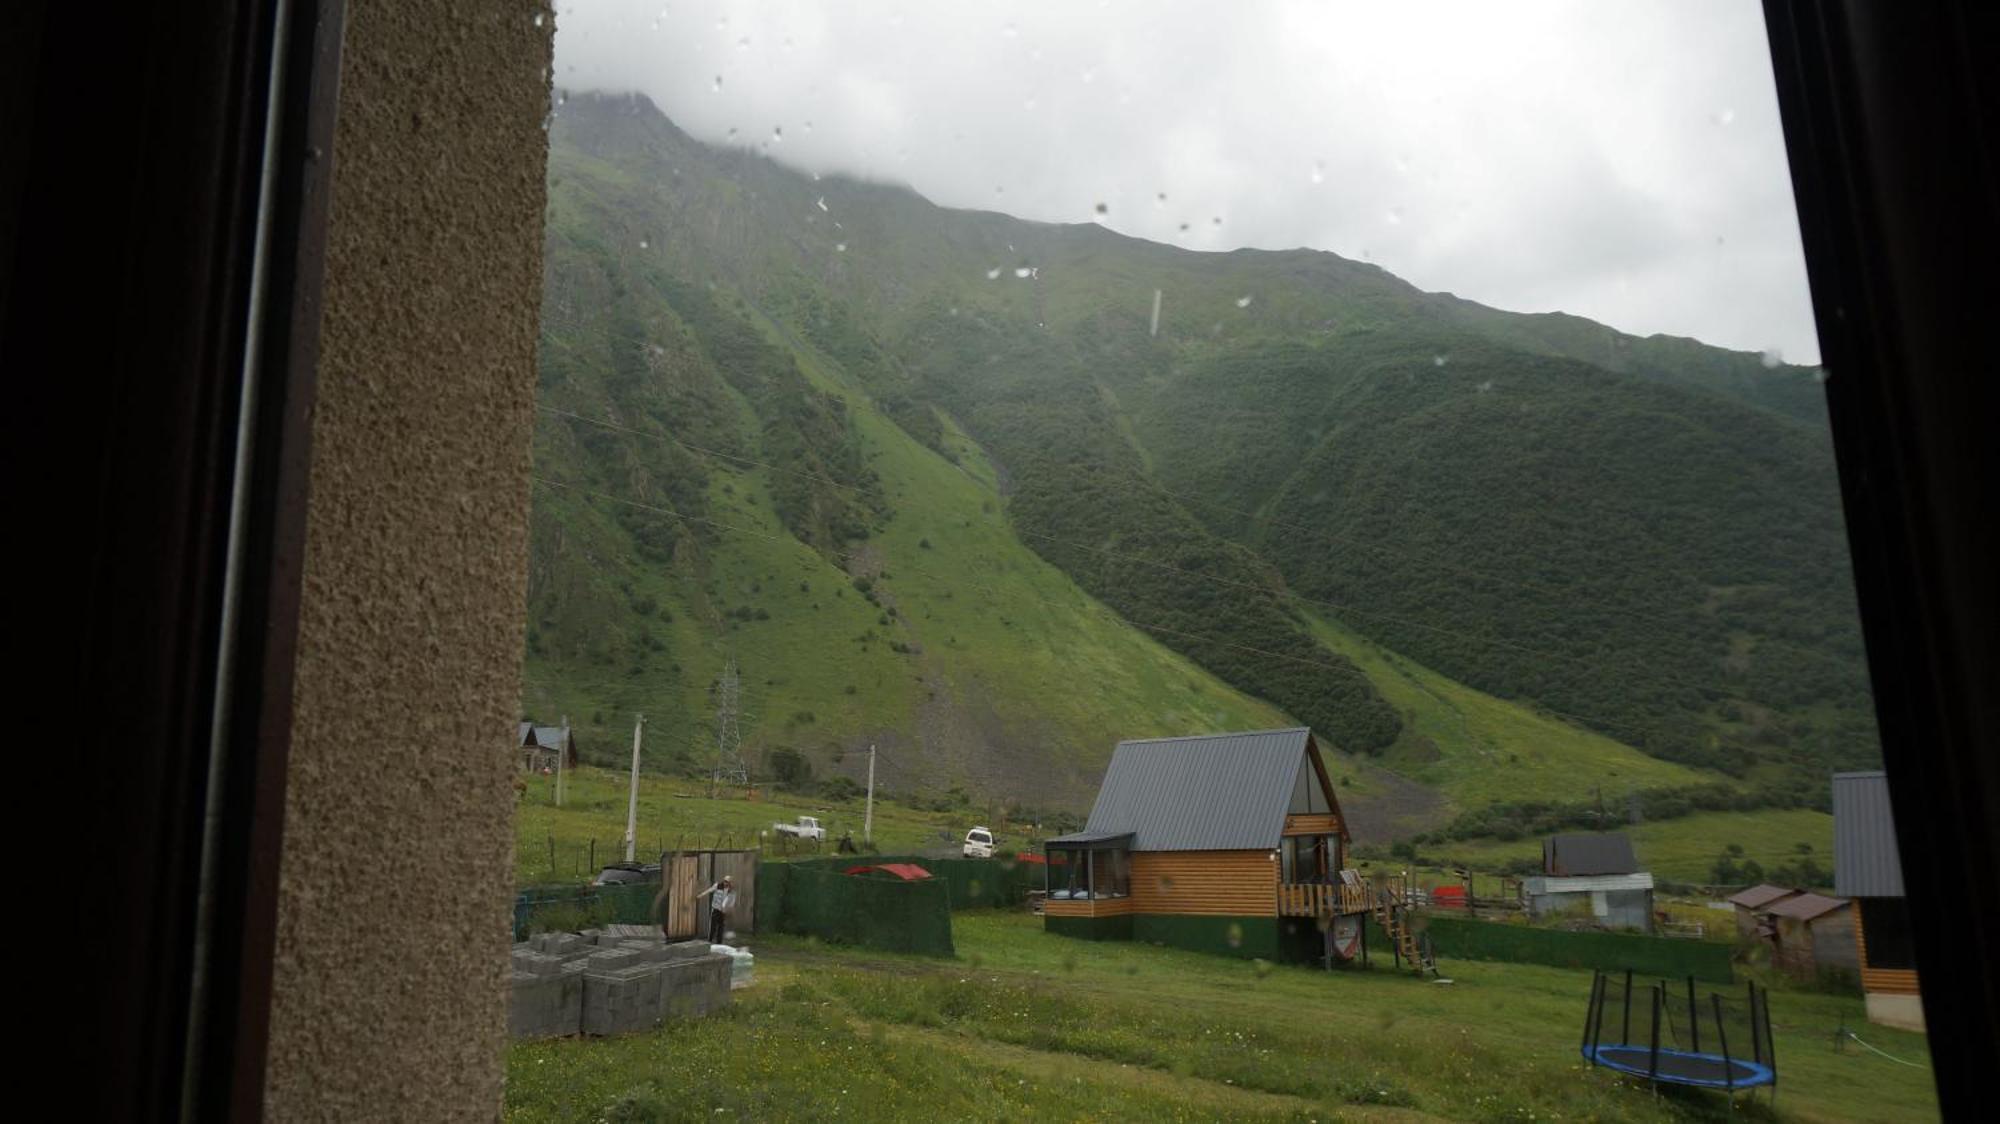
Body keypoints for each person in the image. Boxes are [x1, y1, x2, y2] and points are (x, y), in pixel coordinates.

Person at [696, 875, 736, 944]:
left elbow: (732, 903)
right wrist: (701, 895)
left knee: (721, 927)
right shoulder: (717, 886)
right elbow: (709, 890)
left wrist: (727, 910)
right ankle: (710, 941)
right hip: (715, 909)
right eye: (724, 881)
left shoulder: (731, 891)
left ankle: (719, 942)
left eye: (727, 882)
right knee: (713, 926)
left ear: (730, 883)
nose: (725, 883)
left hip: (723, 911)